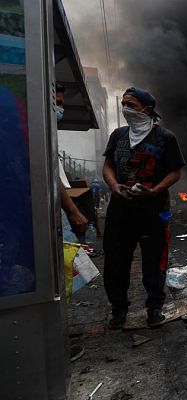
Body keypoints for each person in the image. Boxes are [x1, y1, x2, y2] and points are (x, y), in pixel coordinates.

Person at [102, 87, 185, 329]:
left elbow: (175, 172)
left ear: (147, 110)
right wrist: (114, 185)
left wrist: (154, 191)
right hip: (120, 212)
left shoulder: (165, 138)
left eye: (132, 105)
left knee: (154, 261)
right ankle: (118, 310)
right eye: (124, 105)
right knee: (116, 262)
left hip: (153, 211)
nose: (126, 109)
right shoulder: (118, 136)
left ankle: (155, 309)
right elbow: (107, 165)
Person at [56, 84, 87, 361]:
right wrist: (75, 213)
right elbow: (54, 182)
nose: (60, 108)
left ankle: (56, 340)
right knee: (59, 281)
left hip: (57, 217)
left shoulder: (43, 136)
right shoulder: (35, 137)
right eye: (55, 101)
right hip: (53, 218)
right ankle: (54, 347)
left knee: (64, 279)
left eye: (61, 102)